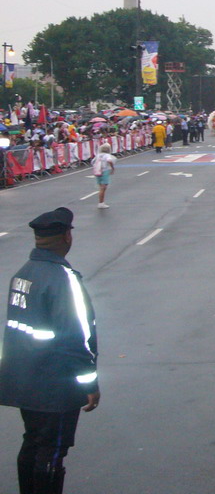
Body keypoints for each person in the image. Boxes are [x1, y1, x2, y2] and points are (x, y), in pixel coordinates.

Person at [0, 207, 100, 493]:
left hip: (23, 379)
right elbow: (78, 337)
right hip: (54, 384)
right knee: (52, 452)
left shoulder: (23, 274)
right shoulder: (62, 278)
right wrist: (90, 383)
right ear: (66, 237)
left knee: (32, 441)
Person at [92, 143, 116, 209]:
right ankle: (101, 203)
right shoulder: (107, 155)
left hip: (98, 171)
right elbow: (109, 161)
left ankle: (101, 202)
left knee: (101, 187)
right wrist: (112, 167)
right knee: (103, 188)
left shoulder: (98, 155)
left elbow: (92, 162)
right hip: (104, 171)